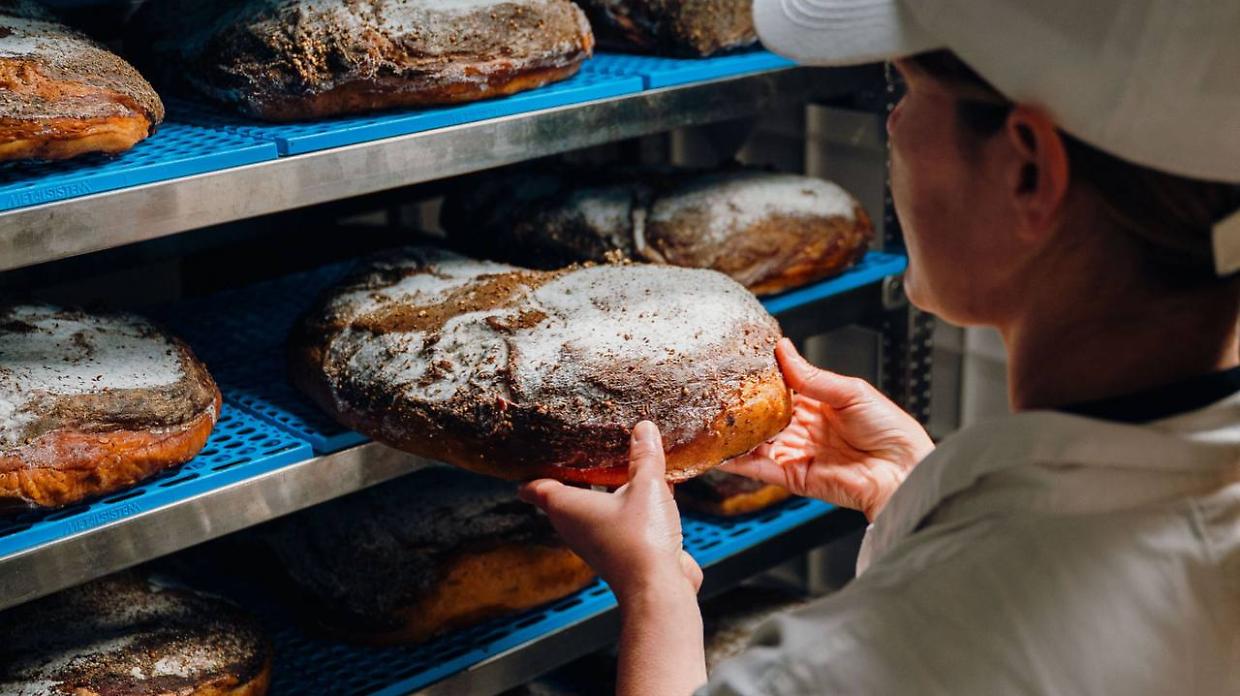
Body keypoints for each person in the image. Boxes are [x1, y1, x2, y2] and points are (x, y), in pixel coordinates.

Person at [519, 1, 1240, 693]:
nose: (891, 120)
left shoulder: (873, 659)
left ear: (1027, 171)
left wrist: (655, 586)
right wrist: (907, 491)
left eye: (911, 89)